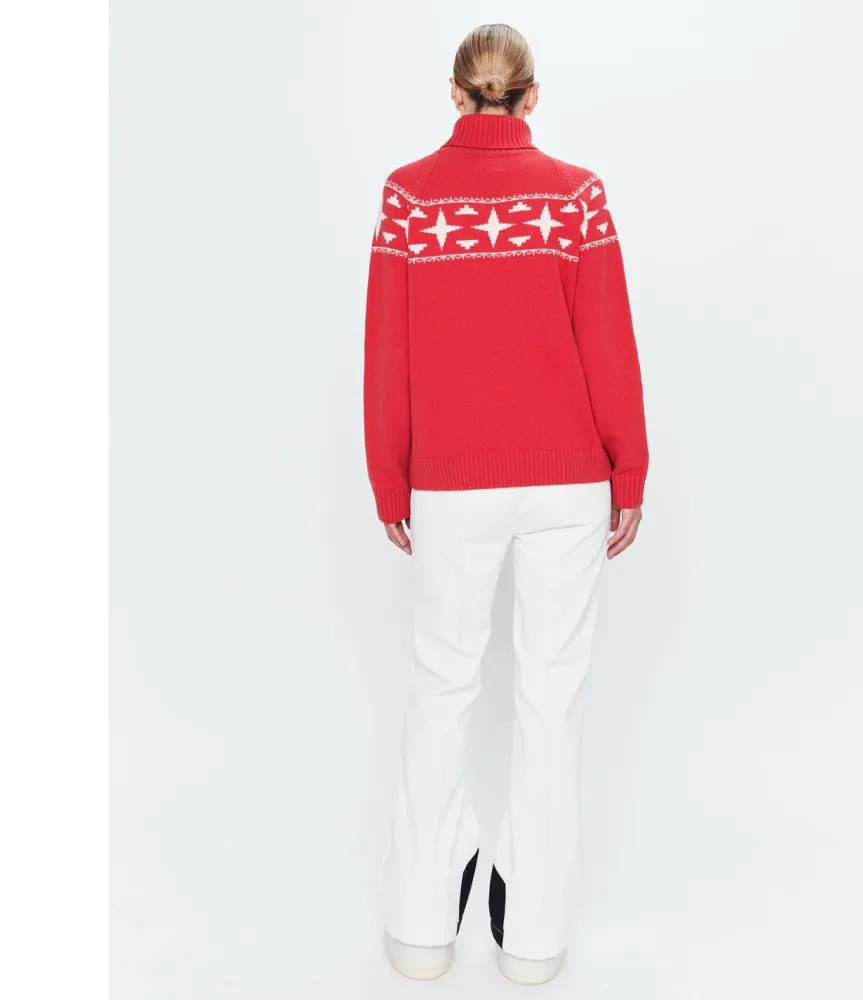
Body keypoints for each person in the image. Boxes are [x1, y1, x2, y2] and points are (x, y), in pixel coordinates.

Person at [364, 23, 649, 986]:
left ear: (455, 95)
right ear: (532, 97)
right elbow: (608, 342)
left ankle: (419, 926)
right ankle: (533, 937)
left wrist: (390, 475)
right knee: (551, 699)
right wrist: (628, 469)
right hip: (569, 483)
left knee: (441, 687)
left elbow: (388, 347)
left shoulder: (408, 197)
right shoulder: (577, 198)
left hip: (449, 483)